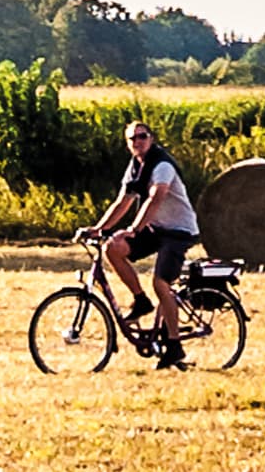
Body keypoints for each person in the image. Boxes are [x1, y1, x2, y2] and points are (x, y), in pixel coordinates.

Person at [84, 120, 200, 368]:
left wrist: (133, 229)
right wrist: (98, 228)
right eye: (132, 139)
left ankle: (174, 345)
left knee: (161, 283)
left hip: (179, 230)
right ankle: (141, 301)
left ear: (152, 138)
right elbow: (123, 202)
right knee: (112, 248)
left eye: (142, 136)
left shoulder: (162, 165)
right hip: (156, 228)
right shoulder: (136, 166)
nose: (137, 142)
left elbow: (155, 199)